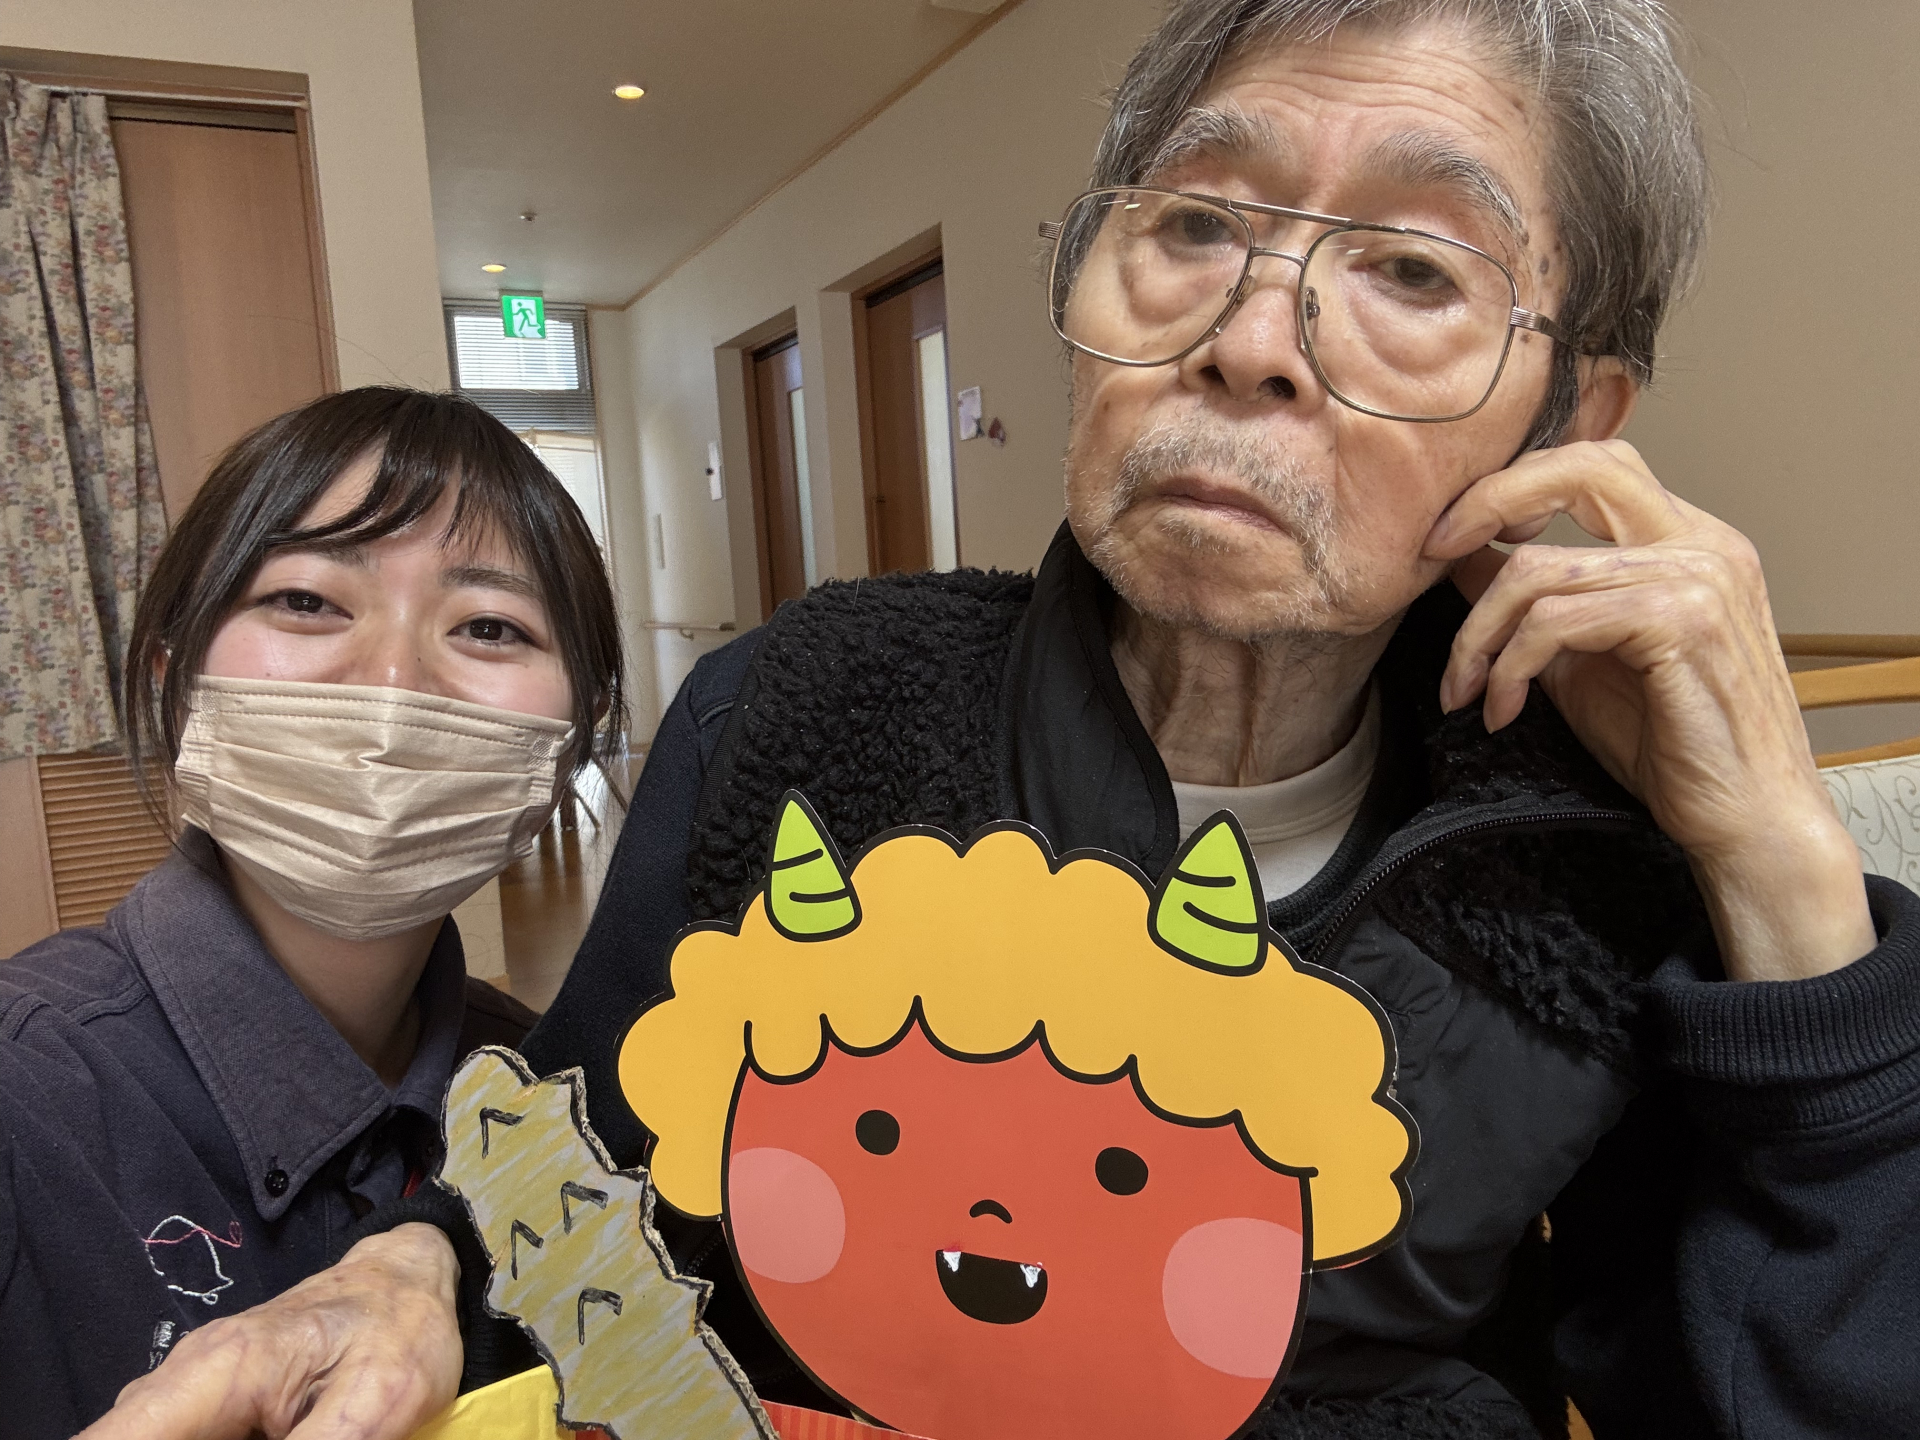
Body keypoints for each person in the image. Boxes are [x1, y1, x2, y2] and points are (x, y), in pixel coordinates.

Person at [84, 2, 1920, 1437]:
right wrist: (421, 1269)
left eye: (1416, 272)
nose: (1252, 339)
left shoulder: (1583, 855)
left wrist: (1782, 866)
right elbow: (576, 1174)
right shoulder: (803, 709)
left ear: (1569, 417)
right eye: (1192, 224)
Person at [3, 386, 623, 1438]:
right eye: (306, 601)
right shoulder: (25, 1094)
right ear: (175, 676)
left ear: (573, 740)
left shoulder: (552, 1102)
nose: (394, 683)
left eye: (488, 626)